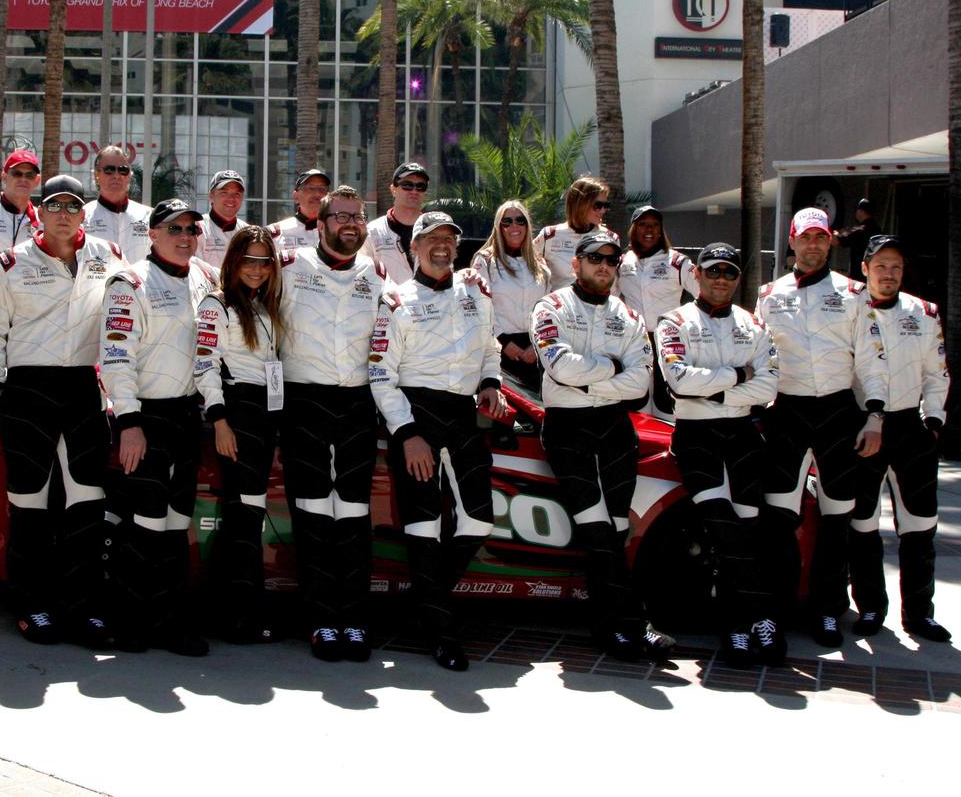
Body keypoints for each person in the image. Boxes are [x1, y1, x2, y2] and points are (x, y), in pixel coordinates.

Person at [0, 174, 127, 648]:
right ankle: (32, 606)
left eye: (73, 206)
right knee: (31, 505)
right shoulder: (10, 262)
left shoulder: (108, 256)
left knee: (86, 502)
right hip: (27, 389)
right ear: (38, 212)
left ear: (84, 212)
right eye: (54, 205)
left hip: (83, 387)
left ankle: (82, 608)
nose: (64, 213)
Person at [370, 211, 508, 670]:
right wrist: (407, 434)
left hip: (462, 415)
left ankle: (426, 605)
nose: (442, 245)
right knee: (424, 528)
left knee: (478, 520)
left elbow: (490, 347)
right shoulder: (394, 301)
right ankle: (441, 633)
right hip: (415, 416)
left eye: (449, 238)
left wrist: (491, 382)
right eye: (431, 239)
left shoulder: (476, 292)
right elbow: (380, 375)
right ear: (414, 247)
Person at [528, 232, 669, 660]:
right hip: (566, 430)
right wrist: (612, 369)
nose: (604, 267)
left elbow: (640, 381)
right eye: (595, 259)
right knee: (597, 531)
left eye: (611, 260)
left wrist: (588, 380)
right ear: (576, 263)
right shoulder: (550, 306)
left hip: (615, 429)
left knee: (618, 530)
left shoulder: (628, 315)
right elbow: (558, 366)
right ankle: (631, 624)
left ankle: (611, 624)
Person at [756, 207, 887, 648]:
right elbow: (760, 360)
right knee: (778, 519)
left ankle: (827, 610)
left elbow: (870, 358)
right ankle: (776, 609)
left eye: (820, 237)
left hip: (838, 413)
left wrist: (875, 416)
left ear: (830, 241)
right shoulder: (768, 294)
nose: (813, 244)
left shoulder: (855, 293)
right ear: (791, 242)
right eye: (804, 237)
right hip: (787, 412)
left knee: (837, 518)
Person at [655, 243, 785, 667]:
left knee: (745, 533)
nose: (721, 279)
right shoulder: (673, 321)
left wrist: (715, 388)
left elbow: (769, 386)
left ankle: (738, 627)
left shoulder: (753, 323)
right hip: (695, 435)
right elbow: (678, 380)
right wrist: (738, 378)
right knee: (723, 527)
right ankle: (762, 615)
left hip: (744, 435)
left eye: (729, 272)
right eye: (713, 271)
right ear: (697, 275)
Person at [100, 198, 219, 657]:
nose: (186, 236)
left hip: (187, 416)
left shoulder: (207, 278)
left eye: (192, 228)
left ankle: (169, 624)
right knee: (143, 524)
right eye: (175, 228)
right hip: (143, 419)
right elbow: (115, 357)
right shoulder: (128, 282)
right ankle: (132, 622)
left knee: (175, 525)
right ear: (151, 234)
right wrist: (128, 422)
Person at [277, 184, 388, 661]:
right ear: (319, 224)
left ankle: (355, 620)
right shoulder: (286, 267)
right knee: (314, 514)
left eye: (357, 217)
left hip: (358, 403)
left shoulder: (377, 273)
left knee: (355, 515)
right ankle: (322, 620)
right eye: (340, 216)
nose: (350, 224)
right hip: (304, 401)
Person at [848, 235, 953, 642]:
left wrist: (934, 422)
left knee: (919, 525)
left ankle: (919, 614)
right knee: (862, 524)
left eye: (895, 266)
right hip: (863, 428)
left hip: (912, 428)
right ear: (865, 269)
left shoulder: (924, 313)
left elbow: (937, 372)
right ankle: (871, 608)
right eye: (880, 266)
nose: (888, 274)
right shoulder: (849, 309)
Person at [193, 225, 285, 643]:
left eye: (264, 261)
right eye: (249, 259)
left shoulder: (264, 307)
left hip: (265, 417)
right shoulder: (217, 304)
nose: (257, 268)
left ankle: (237, 612)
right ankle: (237, 617)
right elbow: (204, 365)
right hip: (236, 414)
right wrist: (221, 422)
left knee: (248, 513)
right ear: (233, 260)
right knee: (243, 514)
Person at [617, 205, 699, 414]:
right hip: (635, 341)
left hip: (668, 340)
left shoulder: (678, 262)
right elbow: (610, 299)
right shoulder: (622, 262)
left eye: (654, 225)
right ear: (633, 229)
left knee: (667, 403)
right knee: (637, 402)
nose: (649, 230)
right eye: (643, 224)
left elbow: (704, 294)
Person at [469, 199, 549, 389]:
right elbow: (479, 307)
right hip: (499, 349)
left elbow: (547, 310)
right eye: (507, 221)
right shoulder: (486, 260)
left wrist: (538, 345)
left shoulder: (540, 264)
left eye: (520, 220)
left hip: (534, 351)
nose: (514, 226)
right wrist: (503, 342)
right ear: (499, 226)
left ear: (527, 225)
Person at [535, 176, 614, 290]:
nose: (603, 210)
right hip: (560, 305)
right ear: (580, 204)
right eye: (598, 206)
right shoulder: (549, 235)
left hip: (596, 306)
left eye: (606, 205)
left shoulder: (610, 238)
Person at [83, 145, 153, 264]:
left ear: (129, 176)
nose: (116, 175)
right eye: (109, 170)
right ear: (97, 175)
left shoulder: (149, 216)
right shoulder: (83, 217)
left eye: (122, 170)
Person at [361, 161, 428, 284]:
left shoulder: (435, 230)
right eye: (407, 185)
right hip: (385, 302)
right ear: (393, 189)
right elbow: (362, 274)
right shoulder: (372, 231)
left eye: (420, 186)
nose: (414, 191)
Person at [196, 169, 251, 269]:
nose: (231, 198)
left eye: (237, 194)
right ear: (211, 196)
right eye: (224, 192)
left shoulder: (248, 232)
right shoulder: (198, 229)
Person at [273, 168, 331, 252]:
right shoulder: (278, 233)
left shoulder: (338, 231)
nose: (317, 194)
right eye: (310, 188)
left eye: (322, 189)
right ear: (296, 196)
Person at [832, 199, 877, 282]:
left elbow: (835, 241)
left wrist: (835, 231)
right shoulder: (877, 229)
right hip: (874, 276)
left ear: (860, 211)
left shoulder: (859, 230)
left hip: (859, 277)